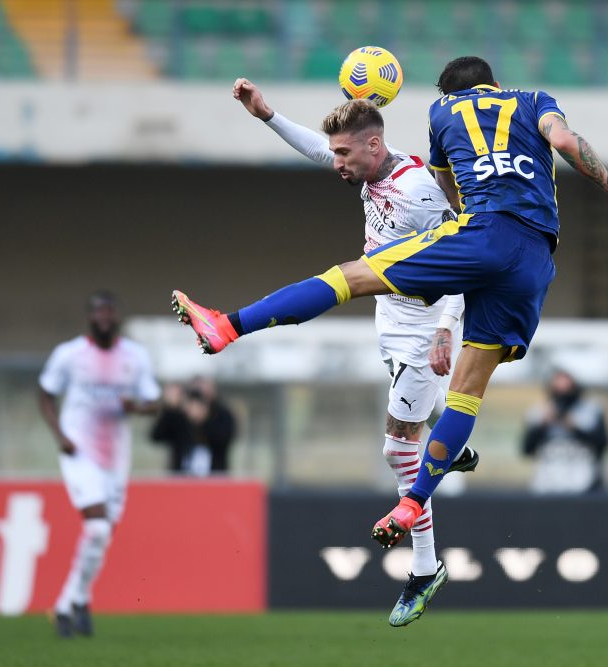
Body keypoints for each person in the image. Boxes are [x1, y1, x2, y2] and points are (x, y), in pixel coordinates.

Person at [171, 56, 608, 558]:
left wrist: (448, 315)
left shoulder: (442, 115)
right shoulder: (533, 101)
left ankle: (229, 325)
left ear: (448, 93)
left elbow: (450, 191)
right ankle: (415, 501)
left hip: (474, 245)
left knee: (351, 276)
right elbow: (567, 143)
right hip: (535, 259)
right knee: (467, 393)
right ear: (496, 85)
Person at [228, 79, 476, 625]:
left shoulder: (420, 189)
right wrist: (267, 114)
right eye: (335, 153)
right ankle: (450, 446)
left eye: (344, 153)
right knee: (415, 424)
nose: (335, 162)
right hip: (389, 312)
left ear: (373, 145)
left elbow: (465, 254)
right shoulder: (367, 169)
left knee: (396, 449)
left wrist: (446, 328)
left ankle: (425, 568)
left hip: (427, 324)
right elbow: (318, 148)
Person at [38, 291, 160, 638]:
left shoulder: (135, 356)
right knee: (97, 529)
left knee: (102, 535)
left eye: (110, 312)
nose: (104, 317)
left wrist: (135, 407)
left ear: (117, 317)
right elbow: (45, 392)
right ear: (89, 318)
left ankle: (74, 599)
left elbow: (154, 402)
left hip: (116, 456)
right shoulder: (69, 354)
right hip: (80, 451)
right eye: (98, 312)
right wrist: (59, 434)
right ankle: (67, 604)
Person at [522, 370, 608, 494]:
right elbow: (526, 449)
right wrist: (543, 425)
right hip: (547, 486)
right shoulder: (538, 412)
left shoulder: (591, 411)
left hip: (584, 486)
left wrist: (574, 427)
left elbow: (602, 444)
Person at [149, 377, 237, 475]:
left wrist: (202, 420)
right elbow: (156, 436)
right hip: (181, 478)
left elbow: (224, 439)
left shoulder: (222, 415)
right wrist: (170, 409)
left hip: (214, 477)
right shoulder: (178, 417)